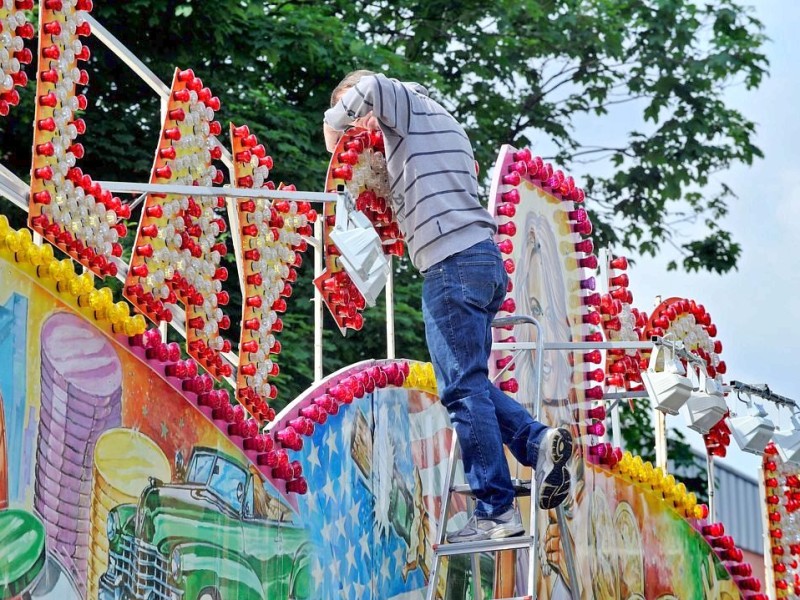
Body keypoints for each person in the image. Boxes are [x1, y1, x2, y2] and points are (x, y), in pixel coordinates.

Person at [323, 70, 573, 543]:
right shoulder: (444, 121)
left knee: (459, 392)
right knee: (469, 384)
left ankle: (495, 509)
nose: (364, 137)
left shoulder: (404, 106)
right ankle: (536, 442)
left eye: (361, 127)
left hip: (450, 265)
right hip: (480, 260)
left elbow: (372, 85)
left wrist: (334, 128)